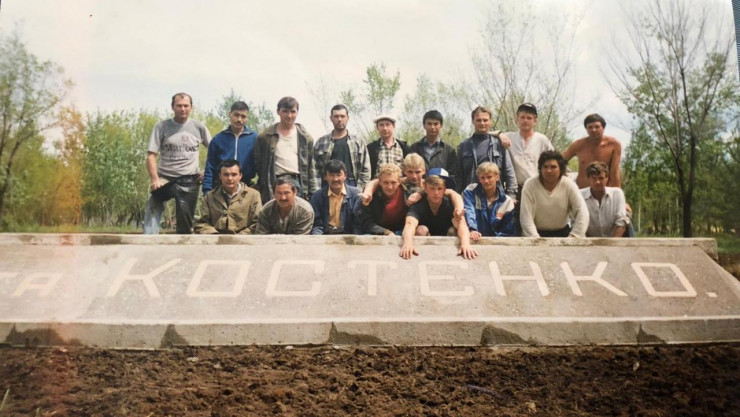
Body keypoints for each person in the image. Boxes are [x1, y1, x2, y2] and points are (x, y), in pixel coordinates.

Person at [144, 92, 211, 234]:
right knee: (153, 203)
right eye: (179, 106)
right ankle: (149, 238)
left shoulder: (199, 127)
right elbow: (151, 155)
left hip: (190, 179)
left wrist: (207, 171)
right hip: (165, 179)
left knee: (185, 223)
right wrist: (155, 179)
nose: (183, 109)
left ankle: (184, 242)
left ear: (191, 107)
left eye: (186, 106)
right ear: (172, 107)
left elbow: (215, 151)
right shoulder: (162, 127)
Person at [399, 168, 477, 260]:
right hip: (424, 243)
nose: (436, 193)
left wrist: (465, 244)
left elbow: (461, 224)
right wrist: (407, 243)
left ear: (444, 189)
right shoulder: (418, 204)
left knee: (453, 230)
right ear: (425, 188)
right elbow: (410, 224)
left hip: (447, 241)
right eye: (432, 188)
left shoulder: (449, 204)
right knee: (421, 230)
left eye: (439, 189)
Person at [254, 96, 318, 203]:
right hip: (274, 181)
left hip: (297, 181)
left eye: (293, 112)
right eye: (285, 111)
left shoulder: (305, 137)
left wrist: (313, 191)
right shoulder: (266, 136)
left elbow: (311, 167)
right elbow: (258, 163)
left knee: (297, 211)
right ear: (278, 112)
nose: (289, 115)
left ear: (297, 112)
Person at [520, 151, 589, 238]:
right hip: (536, 233)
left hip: (563, 234)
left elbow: (582, 212)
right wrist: (536, 239)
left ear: (561, 169)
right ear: (540, 169)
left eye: (553, 167)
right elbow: (526, 218)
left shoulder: (569, 185)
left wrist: (574, 236)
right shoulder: (530, 185)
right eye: (545, 167)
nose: (549, 171)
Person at [457, 106, 517, 198]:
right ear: (473, 121)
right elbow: (459, 176)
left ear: (490, 121)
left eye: (485, 120)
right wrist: (457, 197)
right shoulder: (463, 146)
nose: (482, 123)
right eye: (478, 120)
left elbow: (509, 171)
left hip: (496, 197)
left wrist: (511, 195)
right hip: (471, 197)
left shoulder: (499, 144)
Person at [202, 101, 258, 195]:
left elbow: (261, 166)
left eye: (243, 116)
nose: (239, 119)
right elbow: (210, 166)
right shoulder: (218, 139)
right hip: (220, 187)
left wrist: (259, 186)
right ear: (229, 114)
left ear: (247, 118)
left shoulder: (254, 138)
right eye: (236, 115)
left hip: (246, 187)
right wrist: (207, 190)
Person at [194, 160, 262, 234]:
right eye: (226, 175)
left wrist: (240, 237)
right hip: (216, 238)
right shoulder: (210, 197)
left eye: (234, 175)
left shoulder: (253, 195)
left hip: (244, 238)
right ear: (220, 176)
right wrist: (216, 235)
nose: (230, 178)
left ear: (240, 176)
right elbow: (202, 223)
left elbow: (257, 223)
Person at [313, 104, 371, 190]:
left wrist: (358, 190)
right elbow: (314, 169)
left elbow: (365, 170)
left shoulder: (358, 142)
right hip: (327, 184)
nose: (339, 119)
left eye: (342, 116)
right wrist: (317, 190)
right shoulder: (321, 142)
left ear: (347, 118)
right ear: (331, 118)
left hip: (351, 184)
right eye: (336, 116)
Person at [563, 113, 622, 189]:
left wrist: (617, 192)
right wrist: (564, 177)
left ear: (603, 128)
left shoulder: (613, 145)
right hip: (582, 191)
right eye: (590, 127)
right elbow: (559, 161)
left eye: (597, 127)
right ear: (586, 129)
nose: (593, 130)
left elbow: (615, 173)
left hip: (603, 191)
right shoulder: (578, 145)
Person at [504, 103, 554, 189]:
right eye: (522, 117)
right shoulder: (509, 137)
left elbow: (555, 161)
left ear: (535, 121)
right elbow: (487, 134)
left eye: (529, 118)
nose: (525, 121)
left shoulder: (542, 140)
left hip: (538, 187)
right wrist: (499, 134)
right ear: (517, 119)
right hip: (516, 188)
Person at [463, 162, 517, 239]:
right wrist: (473, 229)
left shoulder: (507, 201)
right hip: (474, 237)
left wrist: (494, 241)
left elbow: (508, 231)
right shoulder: (470, 191)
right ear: (479, 179)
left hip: (497, 241)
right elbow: (469, 211)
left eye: (489, 177)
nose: (486, 181)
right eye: (482, 178)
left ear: (497, 177)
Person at [310, 160, 362, 235]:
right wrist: (317, 239)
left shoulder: (355, 195)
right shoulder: (317, 196)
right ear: (325, 177)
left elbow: (357, 224)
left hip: (348, 236)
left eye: (339, 175)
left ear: (345, 176)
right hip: (325, 235)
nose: (335, 179)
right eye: (331, 175)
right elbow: (317, 225)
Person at [409, 110, 460, 185]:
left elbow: (452, 175)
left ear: (441, 125)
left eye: (436, 124)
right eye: (429, 124)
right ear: (424, 125)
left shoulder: (449, 151)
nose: (432, 127)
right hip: (417, 189)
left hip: (439, 190)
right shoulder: (414, 148)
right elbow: (409, 171)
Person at [580, 161, 629, 237]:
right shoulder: (580, 196)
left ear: (607, 178)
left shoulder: (617, 193)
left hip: (615, 238)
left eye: (601, 178)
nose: (597, 182)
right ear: (588, 179)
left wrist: (612, 243)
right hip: (589, 240)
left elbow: (621, 221)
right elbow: (577, 223)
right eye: (594, 178)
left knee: (627, 219)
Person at [358, 164, 408, 235]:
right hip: (377, 232)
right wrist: (385, 232)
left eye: (393, 182)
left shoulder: (406, 194)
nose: (390, 187)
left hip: (400, 231)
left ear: (399, 182)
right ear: (380, 182)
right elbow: (367, 223)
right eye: (386, 182)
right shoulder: (370, 197)